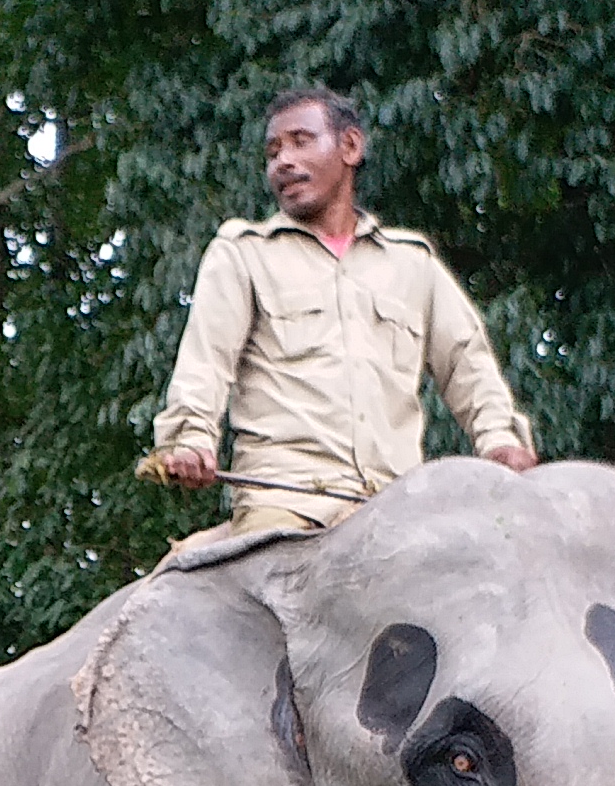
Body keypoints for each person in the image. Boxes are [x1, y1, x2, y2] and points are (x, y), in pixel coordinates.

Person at [142, 86, 536, 540]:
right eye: (273, 152)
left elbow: (469, 363)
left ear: (350, 146)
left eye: (300, 141)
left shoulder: (413, 263)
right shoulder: (243, 254)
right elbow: (205, 363)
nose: (283, 162)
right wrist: (188, 441)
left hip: (396, 506)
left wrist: (501, 442)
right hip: (286, 504)